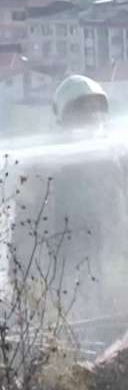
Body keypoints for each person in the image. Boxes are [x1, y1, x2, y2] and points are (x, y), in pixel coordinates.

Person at [14, 75, 128, 326]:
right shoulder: (42, 166)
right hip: (64, 276)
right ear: (65, 117)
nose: (92, 116)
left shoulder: (118, 159)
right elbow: (23, 234)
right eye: (83, 109)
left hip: (113, 272)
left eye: (96, 109)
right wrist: (25, 290)